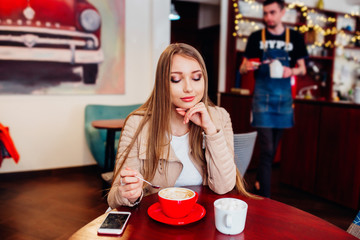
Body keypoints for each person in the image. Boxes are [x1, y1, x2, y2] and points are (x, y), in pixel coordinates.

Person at [108, 43, 251, 208]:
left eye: (196, 77)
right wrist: (129, 194)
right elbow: (114, 197)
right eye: (176, 79)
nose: (189, 88)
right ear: (162, 83)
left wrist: (210, 130)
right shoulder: (137, 124)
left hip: (200, 219)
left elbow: (224, 187)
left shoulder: (220, 117)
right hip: (152, 219)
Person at [239, 0, 308, 198]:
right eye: (265, 13)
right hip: (262, 98)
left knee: (272, 149)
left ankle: (260, 183)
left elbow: (302, 68)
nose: (268, 17)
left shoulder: (294, 37)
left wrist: (291, 70)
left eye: (272, 12)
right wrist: (247, 67)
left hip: (283, 99)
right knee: (267, 149)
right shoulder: (255, 37)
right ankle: (266, 199)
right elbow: (242, 67)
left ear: (282, 12)